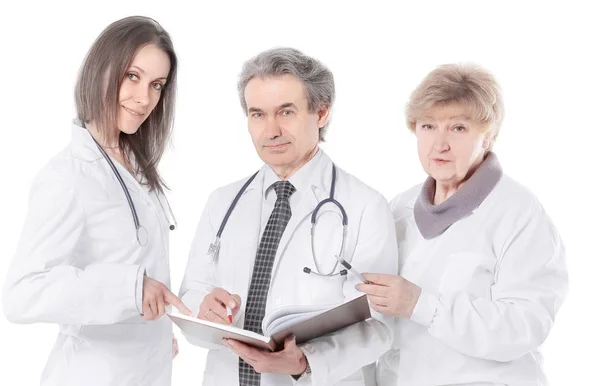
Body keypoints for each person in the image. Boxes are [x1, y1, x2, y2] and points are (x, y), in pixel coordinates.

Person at [179, 47, 398, 385]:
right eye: (257, 114)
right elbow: (191, 293)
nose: (271, 131)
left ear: (321, 113)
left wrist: (306, 361)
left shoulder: (365, 206)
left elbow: (379, 324)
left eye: (286, 112)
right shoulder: (222, 202)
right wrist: (202, 308)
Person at [2, 16, 191, 386]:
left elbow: (134, 262)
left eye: (157, 85)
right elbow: (21, 294)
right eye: (132, 77)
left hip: (145, 368)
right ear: (101, 69)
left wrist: (152, 336)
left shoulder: (136, 165)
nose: (144, 99)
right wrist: (129, 289)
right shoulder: (68, 175)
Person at [357, 63, 569, 385]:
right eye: (428, 126)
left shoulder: (519, 213)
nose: (439, 144)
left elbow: (525, 325)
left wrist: (421, 305)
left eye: (458, 129)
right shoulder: (399, 207)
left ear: (488, 136)